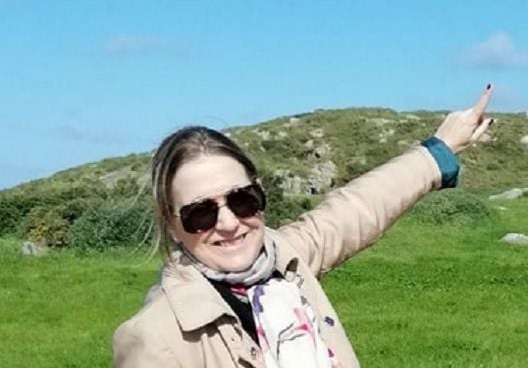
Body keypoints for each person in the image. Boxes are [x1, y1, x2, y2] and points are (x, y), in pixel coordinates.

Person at [113, 86, 495, 368]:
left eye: (242, 200)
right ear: (173, 225)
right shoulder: (156, 339)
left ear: (260, 194)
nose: (229, 223)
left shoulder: (285, 258)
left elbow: (357, 209)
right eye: (201, 213)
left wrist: (439, 151)